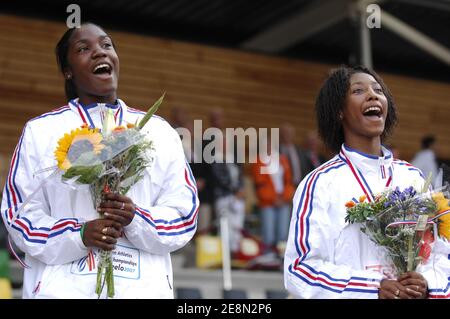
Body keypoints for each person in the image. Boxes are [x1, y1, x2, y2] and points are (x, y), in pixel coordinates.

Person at [0, 23, 198, 299]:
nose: (99, 53)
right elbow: (19, 216)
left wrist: (135, 217)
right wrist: (79, 235)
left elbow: (184, 216)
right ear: (67, 71)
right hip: (63, 292)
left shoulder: (159, 131)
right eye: (84, 49)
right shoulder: (41, 132)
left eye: (106, 45)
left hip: (141, 291)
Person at [284, 65, 450, 299]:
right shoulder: (320, 184)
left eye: (378, 90)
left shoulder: (413, 178)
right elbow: (300, 270)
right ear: (339, 111)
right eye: (358, 90)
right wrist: (372, 288)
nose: (373, 94)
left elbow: (442, 253)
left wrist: (427, 283)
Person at [252, 136, 295, 258]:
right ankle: (268, 258)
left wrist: (285, 197)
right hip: (268, 202)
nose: (269, 147)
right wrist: (273, 198)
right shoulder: (258, 161)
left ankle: (282, 258)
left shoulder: (282, 159)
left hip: (283, 200)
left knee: (283, 233)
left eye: (270, 145)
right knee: (268, 233)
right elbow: (260, 184)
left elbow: (288, 181)